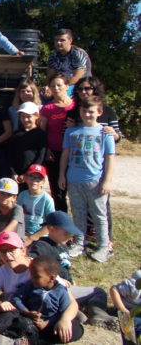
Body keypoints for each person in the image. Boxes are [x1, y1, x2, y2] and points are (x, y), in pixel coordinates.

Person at [0, 231, 80, 342]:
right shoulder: (2, 271)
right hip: (17, 313)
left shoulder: (40, 267)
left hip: (45, 315)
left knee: (75, 329)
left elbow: (71, 302)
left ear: (23, 250)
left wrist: (65, 319)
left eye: (11, 250)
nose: (7, 255)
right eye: (3, 251)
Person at [29, 211, 117, 327]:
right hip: (53, 290)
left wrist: (70, 279)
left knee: (97, 292)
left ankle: (97, 314)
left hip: (68, 289)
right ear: (51, 229)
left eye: (70, 234)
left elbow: (65, 267)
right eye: (65, 233)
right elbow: (33, 263)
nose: (69, 237)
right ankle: (77, 314)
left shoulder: (63, 246)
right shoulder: (42, 246)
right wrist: (58, 280)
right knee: (98, 292)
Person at [60, 95, 116, 262]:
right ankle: (79, 243)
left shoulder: (105, 134)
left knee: (99, 214)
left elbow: (110, 158)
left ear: (99, 112)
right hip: (74, 179)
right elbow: (65, 155)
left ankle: (103, 246)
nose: (87, 114)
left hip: (95, 181)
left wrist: (107, 180)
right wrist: (62, 175)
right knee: (78, 213)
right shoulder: (71, 132)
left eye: (91, 111)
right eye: (84, 111)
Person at [40, 74, 75, 211]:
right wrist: (46, 149)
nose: (56, 88)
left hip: (74, 153)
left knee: (75, 190)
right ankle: (62, 223)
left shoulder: (75, 106)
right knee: (58, 192)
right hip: (54, 153)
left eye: (59, 85)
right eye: (53, 85)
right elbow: (42, 132)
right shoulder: (47, 109)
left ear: (67, 86)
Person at [18, 164, 55, 244]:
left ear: (43, 181)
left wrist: (31, 238)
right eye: (31, 176)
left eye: (38, 178)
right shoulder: (22, 195)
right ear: (26, 178)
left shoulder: (47, 199)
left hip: (41, 237)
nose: (34, 180)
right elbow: (17, 217)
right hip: (22, 234)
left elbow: (50, 224)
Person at [110, 270, 141, 339]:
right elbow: (114, 289)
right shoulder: (135, 287)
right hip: (126, 311)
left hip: (137, 312)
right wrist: (122, 309)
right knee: (129, 332)